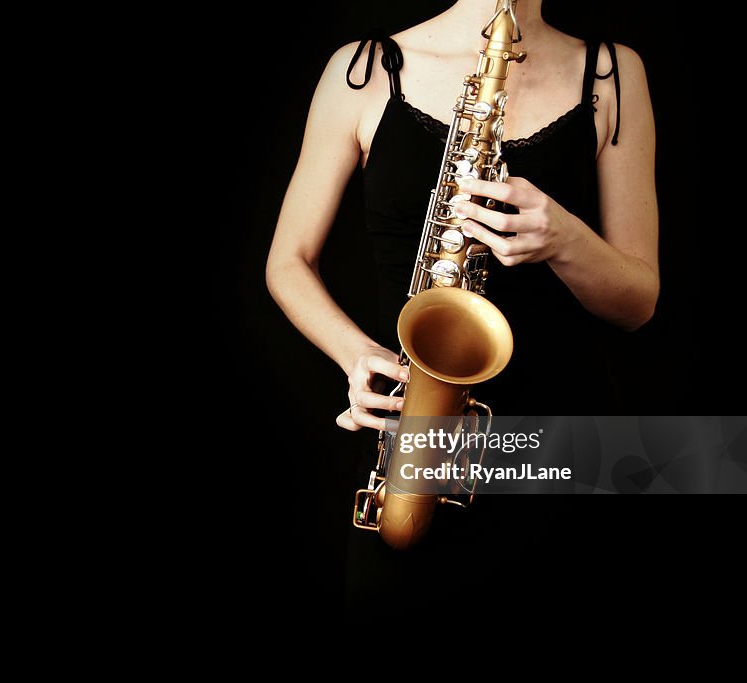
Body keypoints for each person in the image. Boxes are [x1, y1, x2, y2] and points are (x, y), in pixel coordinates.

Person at [264, 0, 658, 606]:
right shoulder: (367, 70)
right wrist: (356, 356)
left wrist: (564, 239)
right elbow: (287, 261)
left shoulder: (610, 73)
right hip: (413, 453)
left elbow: (638, 303)